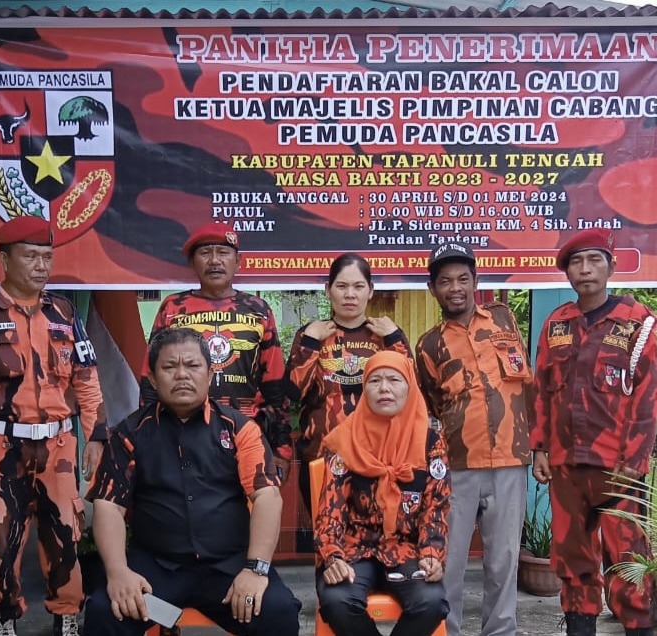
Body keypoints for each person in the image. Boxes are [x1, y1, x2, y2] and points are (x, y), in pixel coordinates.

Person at [0, 215, 107, 636]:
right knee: (1, 535)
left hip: (59, 445)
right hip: (1, 446)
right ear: (4, 258)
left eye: (47, 257)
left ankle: (66, 615)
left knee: (65, 533)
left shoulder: (65, 312)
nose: (40, 265)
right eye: (30, 256)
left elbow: (87, 379)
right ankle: (4, 619)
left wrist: (97, 436)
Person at [84, 327, 302, 636]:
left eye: (193, 365)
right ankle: (168, 618)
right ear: (154, 379)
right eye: (170, 367)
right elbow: (109, 506)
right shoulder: (129, 434)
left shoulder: (241, 429)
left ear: (210, 373)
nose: (182, 375)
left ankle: (185, 613)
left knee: (277, 613)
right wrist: (119, 573)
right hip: (156, 576)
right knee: (106, 612)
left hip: (229, 572)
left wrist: (255, 570)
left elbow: (267, 497)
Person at [531, 228, 657, 636]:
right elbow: (541, 390)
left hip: (618, 470)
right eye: (576, 262)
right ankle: (579, 628)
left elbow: (648, 397)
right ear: (567, 272)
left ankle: (639, 627)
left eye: (594, 260)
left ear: (612, 266)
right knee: (572, 561)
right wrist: (539, 448)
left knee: (628, 560)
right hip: (566, 467)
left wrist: (635, 461)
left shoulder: (638, 323)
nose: (585, 270)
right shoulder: (557, 323)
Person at [414, 241, 534, 636]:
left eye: (463, 279)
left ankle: (500, 632)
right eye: (445, 281)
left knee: (503, 561)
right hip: (456, 466)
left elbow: (525, 381)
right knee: (449, 563)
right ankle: (444, 631)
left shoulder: (503, 320)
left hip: (510, 461)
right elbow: (432, 402)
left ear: (476, 281)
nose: (455, 288)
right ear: (433, 289)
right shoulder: (429, 345)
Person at [315, 350, 451, 636]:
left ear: (410, 386)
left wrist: (431, 554)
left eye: (394, 380)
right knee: (336, 601)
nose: (384, 388)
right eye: (374, 380)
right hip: (353, 547)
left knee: (432, 603)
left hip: (408, 548)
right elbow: (331, 509)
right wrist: (332, 557)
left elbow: (436, 506)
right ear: (364, 388)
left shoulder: (430, 440)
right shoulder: (347, 437)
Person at [141, 223, 292, 478]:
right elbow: (151, 378)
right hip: (180, 432)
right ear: (192, 263)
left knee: (246, 510)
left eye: (223, 253)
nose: (214, 261)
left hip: (244, 431)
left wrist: (282, 448)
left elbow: (274, 384)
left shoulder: (258, 310)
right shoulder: (172, 308)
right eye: (205, 253)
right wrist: (148, 437)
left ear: (238, 261)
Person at [284, 252, 411, 518]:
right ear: (328, 290)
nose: (350, 294)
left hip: (377, 457)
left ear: (371, 291)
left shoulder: (384, 334)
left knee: (373, 540)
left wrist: (395, 338)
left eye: (358, 286)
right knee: (327, 543)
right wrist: (310, 343)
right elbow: (293, 393)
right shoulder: (312, 334)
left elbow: (412, 391)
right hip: (322, 455)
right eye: (341, 286)